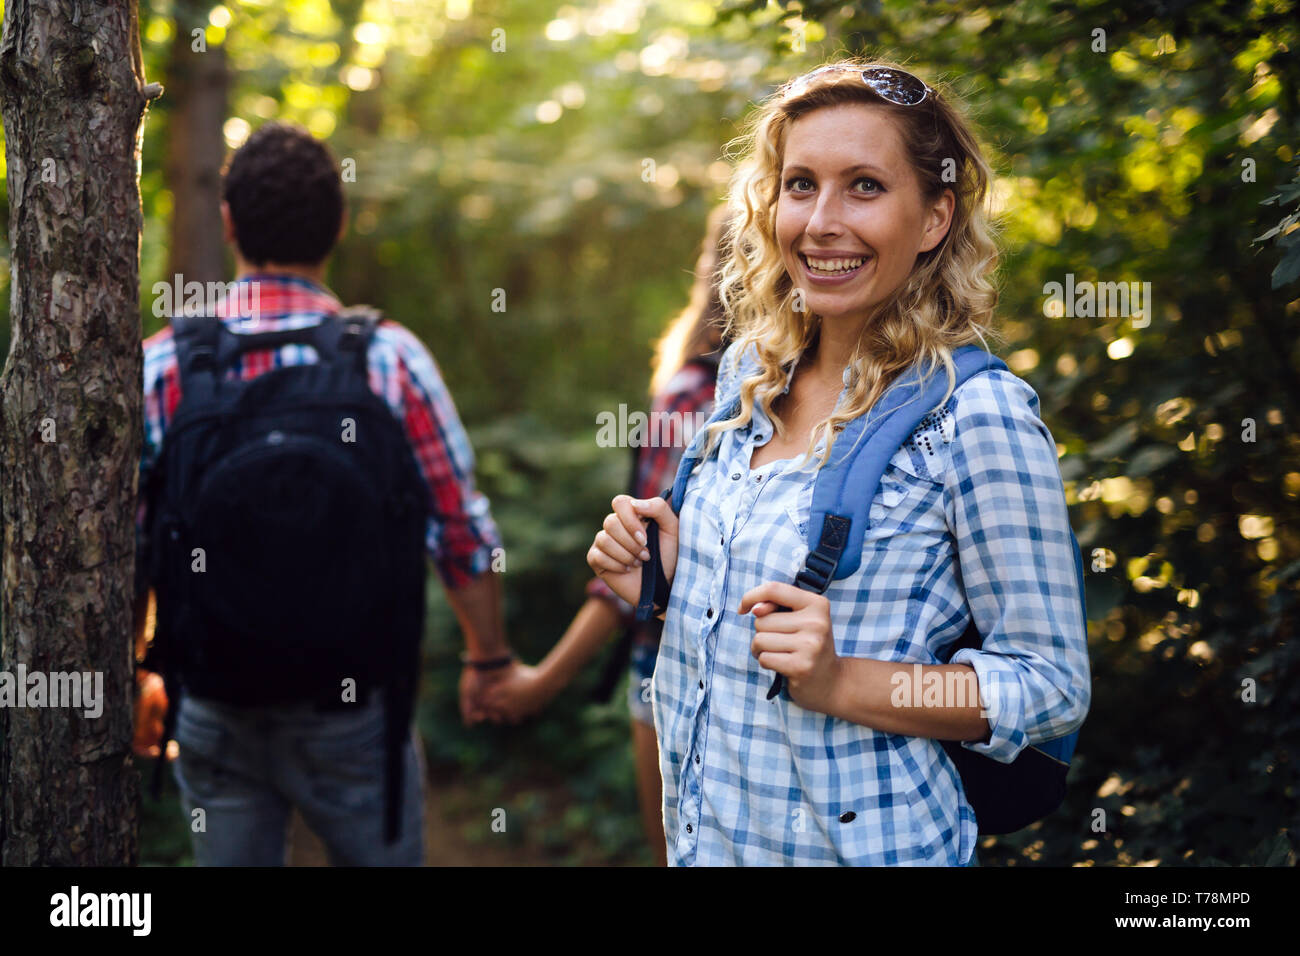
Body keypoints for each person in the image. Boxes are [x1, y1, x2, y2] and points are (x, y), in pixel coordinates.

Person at [586, 60, 1091, 866]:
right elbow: (749, 624)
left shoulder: (977, 416)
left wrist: (841, 682)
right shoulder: (747, 374)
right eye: (799, 185)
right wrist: (669, 578)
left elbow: (1050, 684)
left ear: (933, 218)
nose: (821, 221)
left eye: (863, 187)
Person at [135, 121, 516, 866]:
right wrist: (489, 660)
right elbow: (462, 533)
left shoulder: (166, 365)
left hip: (215, 701)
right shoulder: (390, 358)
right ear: (338, 225)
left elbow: (133, 543)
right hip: (356, 710)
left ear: (229, 222)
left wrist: (137, 672)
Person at [479, 204, 733, 866]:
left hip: (671, 668)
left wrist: (541, 682)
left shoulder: (694, 395)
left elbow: (635, 577)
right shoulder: (815, 392)